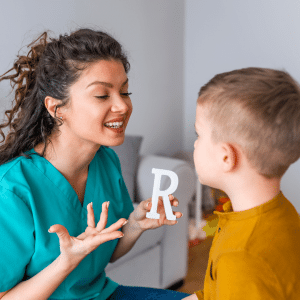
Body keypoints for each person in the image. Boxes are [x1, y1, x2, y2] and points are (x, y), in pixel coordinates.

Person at [0, 28, 190, 300]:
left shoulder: (105, 160)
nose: (123, 106)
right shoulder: (11, 191)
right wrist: (65, 262)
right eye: (103, 95)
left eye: (125, 92)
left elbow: (108, 250)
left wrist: (136, 223)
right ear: (56, 108)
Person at [182, 67, 300, 300]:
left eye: (199, 136)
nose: (195, 145)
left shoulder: (242, 257)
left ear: (226, 157)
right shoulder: (280, 212)